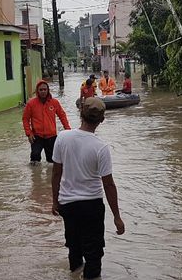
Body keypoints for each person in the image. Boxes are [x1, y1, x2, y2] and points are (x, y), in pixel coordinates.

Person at [51, 97, 125, 279]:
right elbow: (108, 185)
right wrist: (117, 216)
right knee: (93, 253)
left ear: (81, 113)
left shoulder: (63, 137)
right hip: (92, 206)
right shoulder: (101, 148)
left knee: (74, 247)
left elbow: (56, 174)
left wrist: (55, 201)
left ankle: (75, 273)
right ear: (102, 120)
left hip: (68, 205)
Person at [22, 80, 71, 165]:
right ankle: (35, 177)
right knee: (35, 158)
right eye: (41, 90)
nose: (43, 91)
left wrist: (68, 130)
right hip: (36, 136)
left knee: (52, 161)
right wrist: (29, 133)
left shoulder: (54, 102)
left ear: (48, 90)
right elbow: (25, 119)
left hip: (51, 136)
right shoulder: (31, 104)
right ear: (37, 91)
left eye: (45, 89)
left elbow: (62, 116)